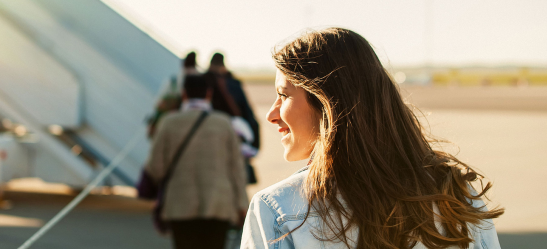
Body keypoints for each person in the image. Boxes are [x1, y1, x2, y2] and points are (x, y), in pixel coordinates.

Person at [241, 28, 503, 249]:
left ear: (327, 101)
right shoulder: (457, 194)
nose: (271, 114)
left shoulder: (278, 210)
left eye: (284, 95)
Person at [146, 74, 249, 249]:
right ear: (209, 94)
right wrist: (242, 204)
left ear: (184, 94)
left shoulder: (169, 123)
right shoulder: (224, 123)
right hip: (219, 203)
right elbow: (237, 169)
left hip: (180, 203)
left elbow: (155, 167)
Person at [207, 52, 261, 184]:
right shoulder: (233, 83)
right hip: (235, 139)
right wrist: (253, 146)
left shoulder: (203, 82)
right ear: (223, 65)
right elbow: (249, 115)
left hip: (209, 139)